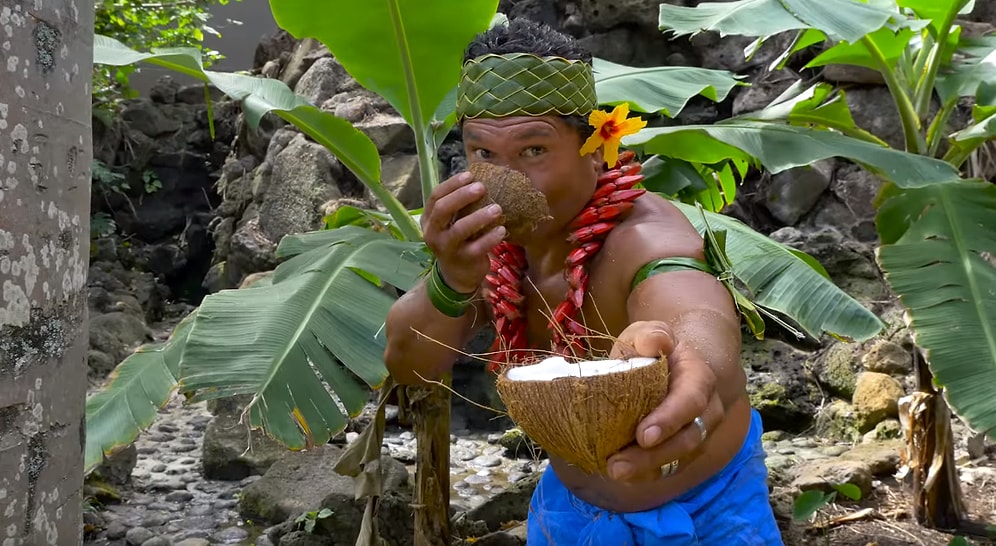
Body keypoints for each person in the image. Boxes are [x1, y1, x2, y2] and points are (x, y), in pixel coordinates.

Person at [384, 18, 784, 546]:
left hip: (711, 511)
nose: (504, 178)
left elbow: (695, 309)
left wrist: (696, 366)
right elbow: (409, 363)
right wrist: (453, 279)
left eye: (533, 151)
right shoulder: (489, 248)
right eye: (483, 153)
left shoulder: (641, 236)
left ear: (595, 148)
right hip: (569, 512)